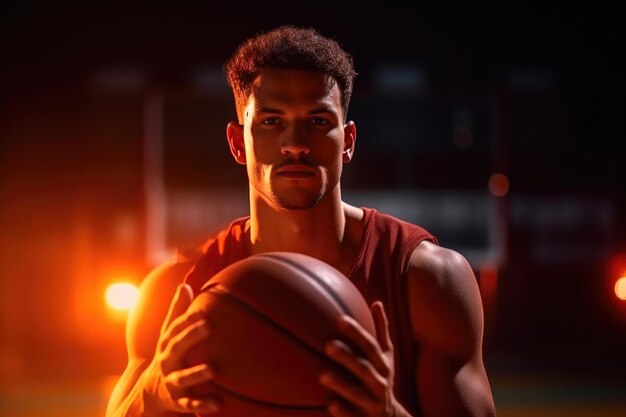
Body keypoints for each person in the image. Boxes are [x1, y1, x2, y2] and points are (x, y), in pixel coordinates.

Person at [106, 25, 497, 417]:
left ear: (348, 142)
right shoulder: (176, 291)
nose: (295, 143)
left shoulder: (426, 278)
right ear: (238, 143)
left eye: (318, 120)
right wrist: (151, 395)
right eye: (272, 121)